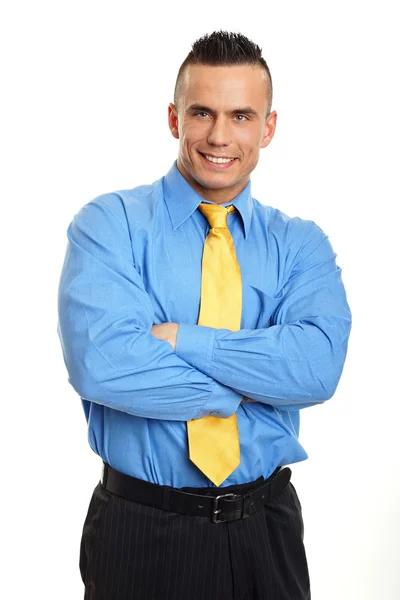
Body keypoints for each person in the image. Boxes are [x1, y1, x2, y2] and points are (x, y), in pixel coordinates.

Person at [57, 30, 352, 600]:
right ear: (174, 118)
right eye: (202, 113)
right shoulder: (111, 225)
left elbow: (316, 370)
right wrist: (254, 385)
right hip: (140, 528)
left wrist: (183, 342)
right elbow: (104, 363)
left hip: (266, 530)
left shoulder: (300, 245)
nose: (220, 136)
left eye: (241, 115)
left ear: (268, 127)